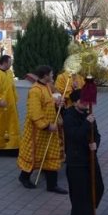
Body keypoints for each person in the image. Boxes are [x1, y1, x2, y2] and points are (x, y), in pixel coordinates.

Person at [17, 65, 67, 193]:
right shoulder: (35, 91)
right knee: (34, 155)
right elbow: (34, 112)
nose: (53, 76)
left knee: (51, 154)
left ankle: (52, 185)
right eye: (51, 74)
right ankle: (24, 177)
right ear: (45, 76)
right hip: (38, 132)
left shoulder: (47, 87)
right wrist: (47, 126)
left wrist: (57, 104)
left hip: (50, 129)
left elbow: (48, 103)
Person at [63, 89, 104, 215]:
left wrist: (96, 144)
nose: (86, 103)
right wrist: (87, 123)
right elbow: (75, 136)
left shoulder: (88, 115)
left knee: (98, 187)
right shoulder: (68, 117)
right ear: (75, 103)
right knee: (79, 191)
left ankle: (88, 211)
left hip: (90, 157)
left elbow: (97, 134)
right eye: (83, 101)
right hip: (76, 159)